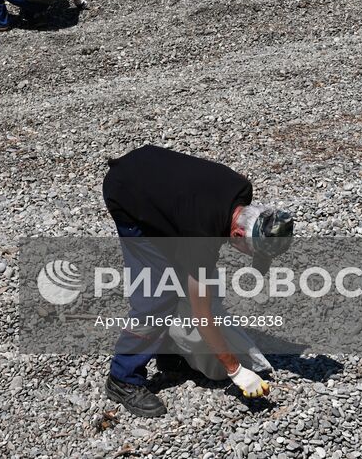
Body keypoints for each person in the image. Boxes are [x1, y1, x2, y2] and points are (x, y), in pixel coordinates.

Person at [101, 143, 294, 418]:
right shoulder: (202, 238)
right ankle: (123, 377)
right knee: (157, 297)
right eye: (250, 249)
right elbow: (202, 316)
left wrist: (260, 258)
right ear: (238, 236)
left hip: (152, 171)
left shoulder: (242, 193)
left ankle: (167, 353)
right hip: (127, 192)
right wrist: (236, 370)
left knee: (180, 279)